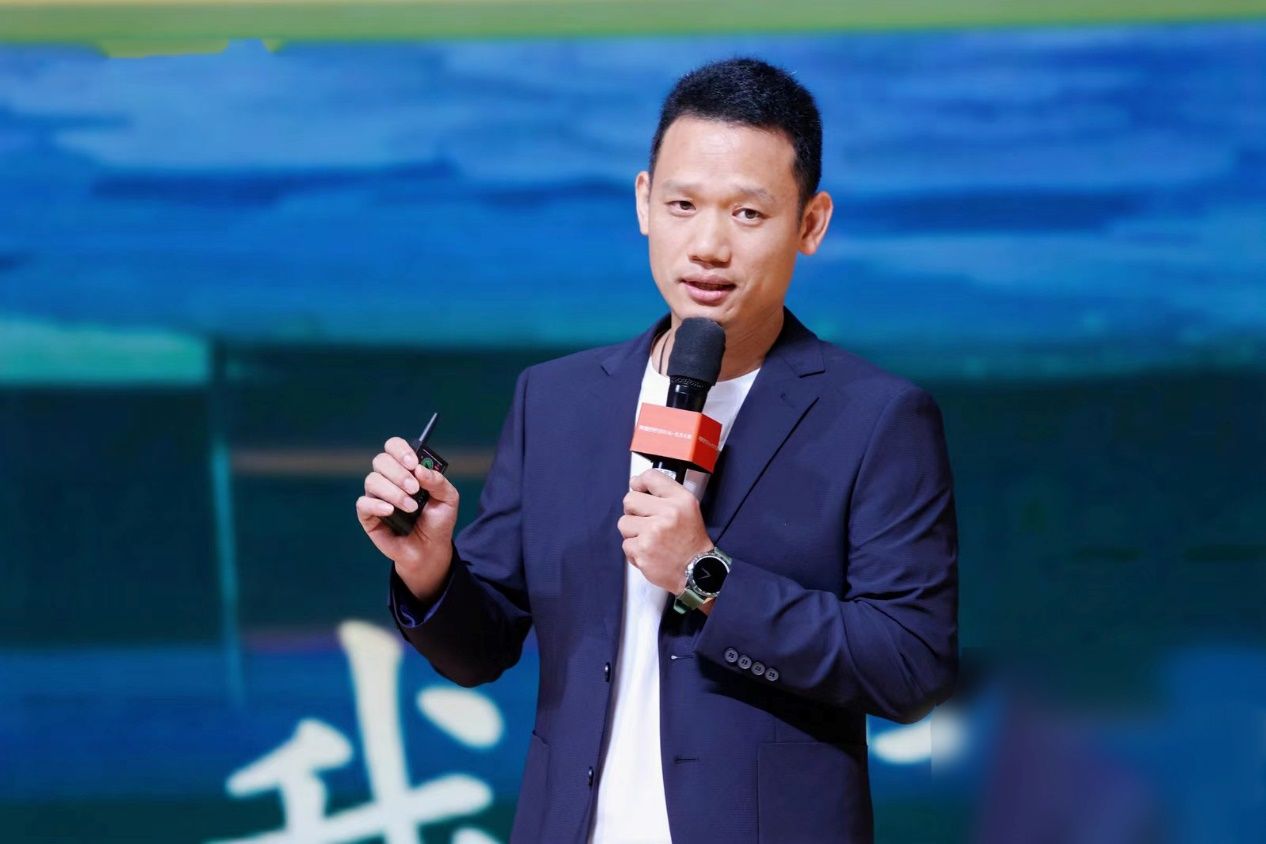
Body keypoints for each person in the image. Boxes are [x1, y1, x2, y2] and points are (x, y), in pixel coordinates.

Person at [356, 58, 958, 843]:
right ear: (644, 202)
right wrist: (430, 567)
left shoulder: (875, 419)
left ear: (810, 224)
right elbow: (479, 651)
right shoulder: (557, 401)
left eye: (748, 213)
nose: (707, 245)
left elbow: (910, 665)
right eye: (682, 205)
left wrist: (706, 577)